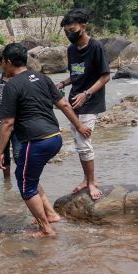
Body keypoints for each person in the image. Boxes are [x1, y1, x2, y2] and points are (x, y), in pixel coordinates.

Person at [0, 43, 92, 237]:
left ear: (7, 62)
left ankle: (45, 229)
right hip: (55, 137)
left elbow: (7, 123)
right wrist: (79, 126)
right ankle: (50, 213)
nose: (2, 66)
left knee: (25, 186)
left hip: (36, 141)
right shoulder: (42, 78)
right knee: (25, 175)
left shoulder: (11, 85)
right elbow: (64, 104)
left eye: (2, 63)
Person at [55, 8, 110, 200]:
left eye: (71, 29)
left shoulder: (96, 47)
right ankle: (86, 179)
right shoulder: (71, 49)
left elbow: (105, 77)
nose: (68, 34)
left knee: (84, 142)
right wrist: (62, 83)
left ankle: (92, 182)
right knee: (79, 143)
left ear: (83, 26)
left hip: (91, 101)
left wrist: (86, 94)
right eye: (66, 31)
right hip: (74, 101)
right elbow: (77, 74)